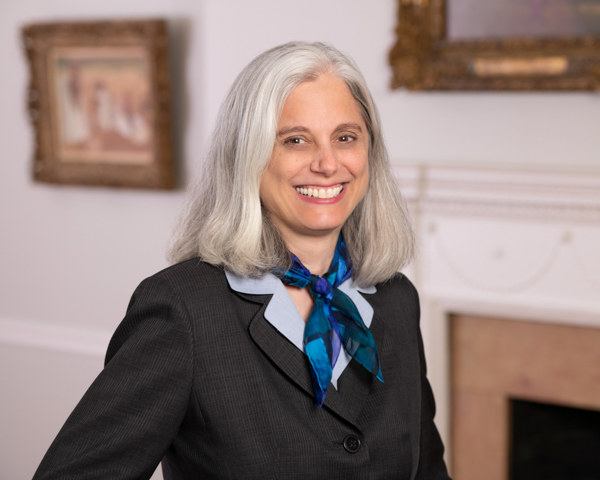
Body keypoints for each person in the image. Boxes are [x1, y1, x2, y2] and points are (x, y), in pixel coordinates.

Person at [33, 42, 451, 480]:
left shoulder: (396, 298)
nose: (328, 163)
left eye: (346, 138)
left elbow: (428, 471)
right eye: (295, 140)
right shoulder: (183, 311)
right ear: (247, 157)